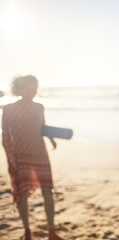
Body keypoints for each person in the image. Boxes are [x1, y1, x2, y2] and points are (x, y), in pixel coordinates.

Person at [2, 75, 63, 240]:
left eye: (34, 90)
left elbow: (42, 126)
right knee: (22, 193)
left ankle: (51, 231)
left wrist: (52, 139)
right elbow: (6, 138)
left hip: (40, 153)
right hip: (19, 157)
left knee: (47, 191)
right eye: (28, 90)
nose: (32, 93)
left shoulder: (39, 107)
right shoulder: (8, 109)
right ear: (19, 90)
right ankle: (27, 230)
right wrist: (10, 161)